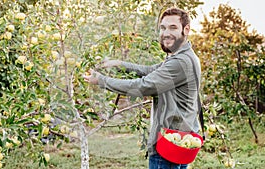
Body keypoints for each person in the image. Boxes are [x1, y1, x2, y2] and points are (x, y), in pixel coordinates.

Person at [84, 7, 201, 169]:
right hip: (180, 142)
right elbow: (151, 71)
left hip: (169, 145)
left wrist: (101, 80)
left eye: (173, 27)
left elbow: (143, 86)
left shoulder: (180, 62)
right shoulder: (183, 56)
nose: (166, 33)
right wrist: (120, 65)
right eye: (163, 27)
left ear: (186, 30)